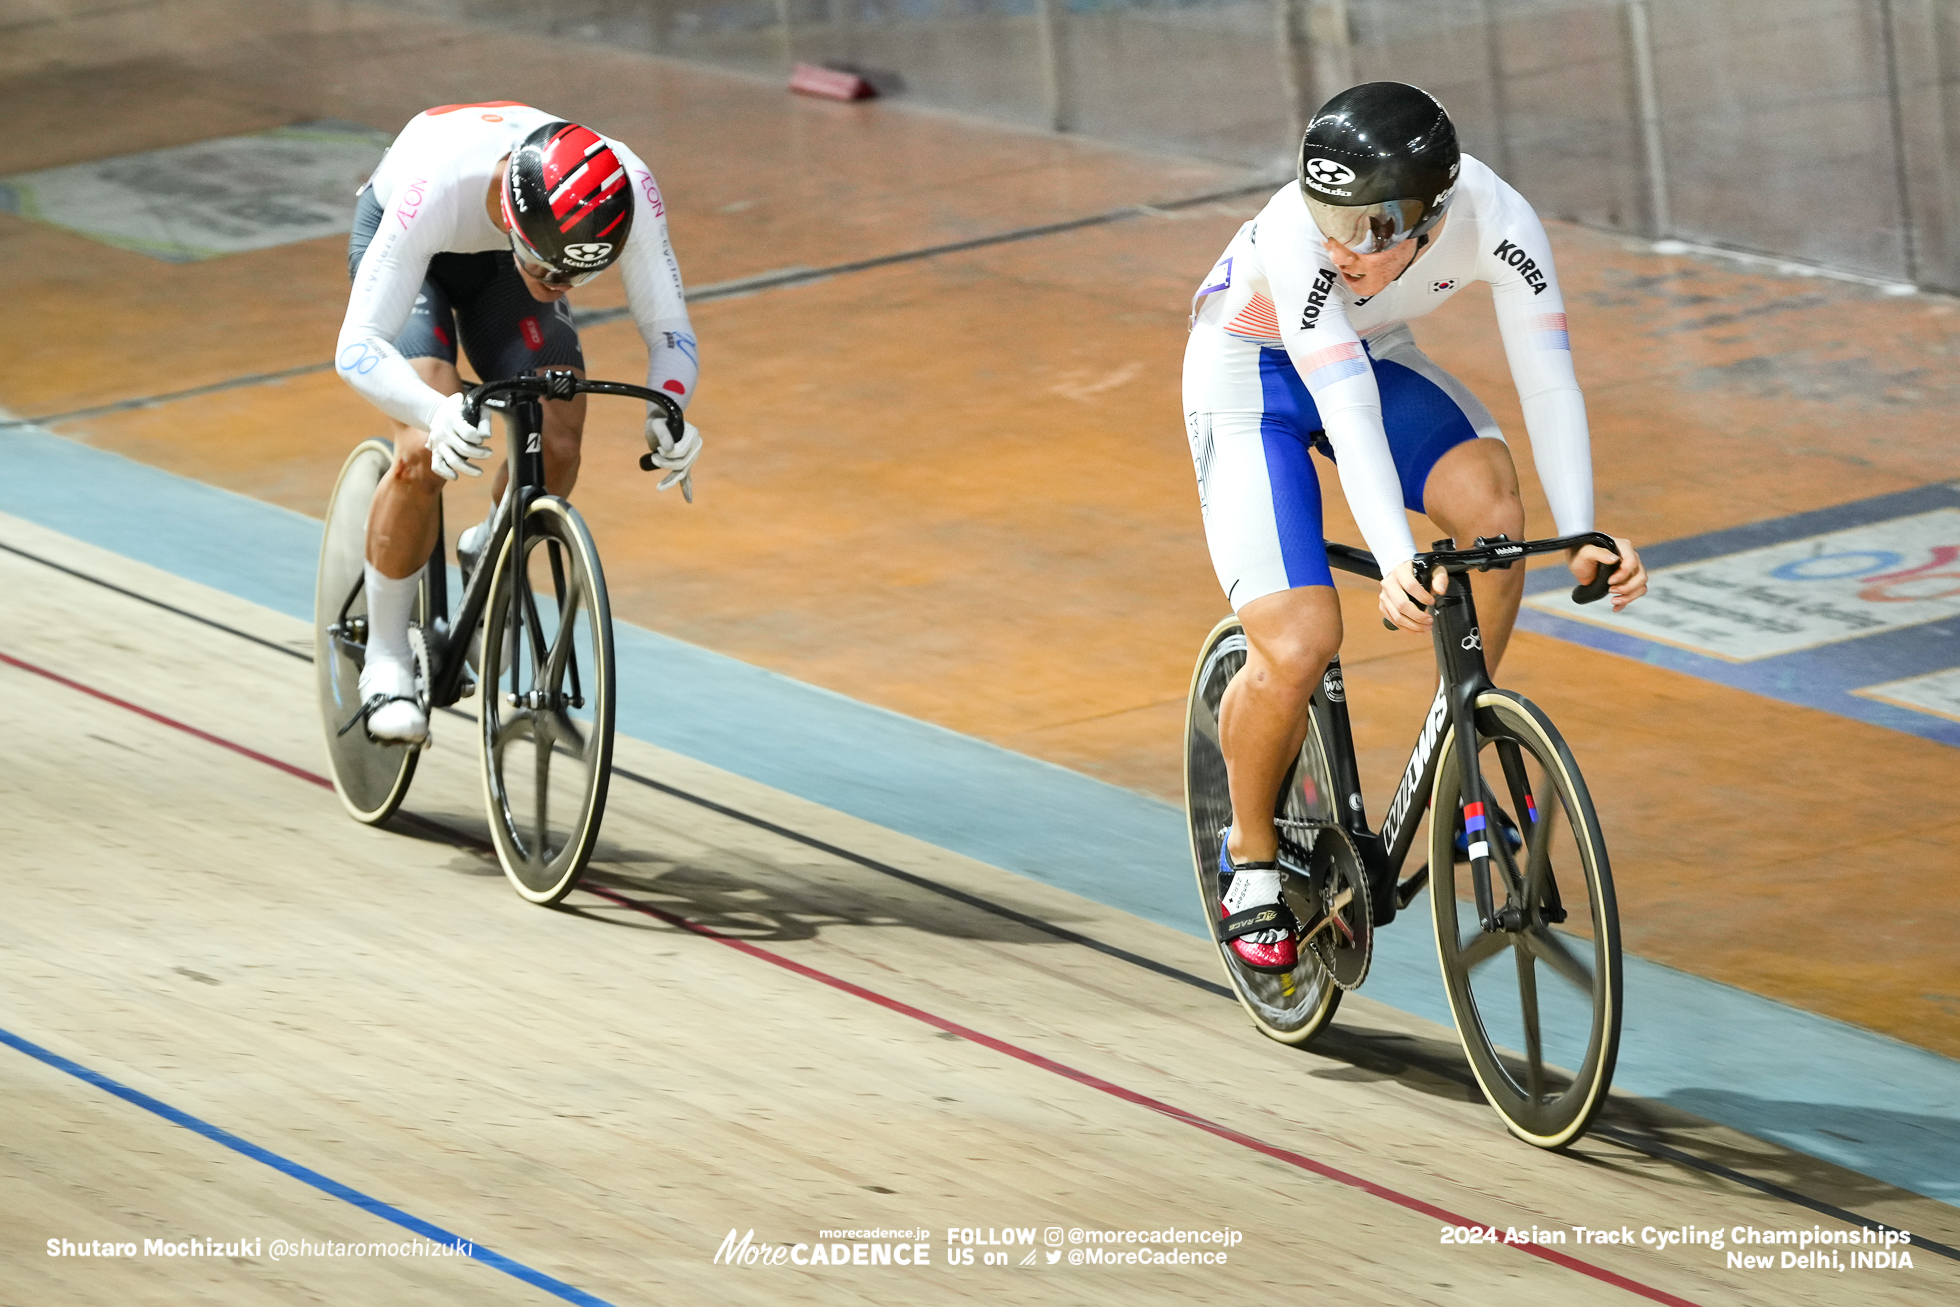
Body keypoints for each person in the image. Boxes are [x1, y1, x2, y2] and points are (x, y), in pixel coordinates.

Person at [1181, 82, 1649, 971]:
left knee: (1496, 519)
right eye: (1326, 214)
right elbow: (1345, 408)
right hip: (1250, 381)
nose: (1338, 245)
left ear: (1431, 218)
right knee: (1300, 640)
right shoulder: (1298, 240)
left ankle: (1456, 764)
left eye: (1364, 227)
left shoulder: (1500, 219)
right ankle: (1247, 860)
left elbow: (1550, 380)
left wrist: (1583, 528)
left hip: (1374, 354)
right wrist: (1395, 559)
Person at [336, 103, 701, 744]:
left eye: (575, 276)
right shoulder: (437, 185)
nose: (560, 284)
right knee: (424, 448)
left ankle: (490, 550)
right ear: (511, 216)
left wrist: (667, 408)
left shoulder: (624, 185)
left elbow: (669, 328)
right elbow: (357, 347)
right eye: (550, 271)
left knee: (558, 443)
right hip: (418, 253)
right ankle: (387, 662)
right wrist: (435, 409)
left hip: (509, 260)